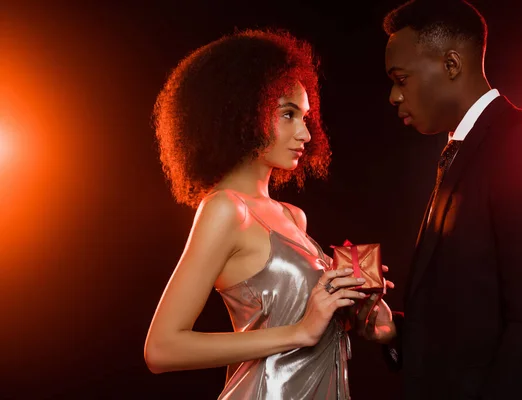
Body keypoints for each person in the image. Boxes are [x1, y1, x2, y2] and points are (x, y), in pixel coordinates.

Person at [354, 1, 522, 399]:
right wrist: (396, 331)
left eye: (400, 79)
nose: (393, 96)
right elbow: (476, 315)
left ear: (451, 65)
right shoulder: (461, 152)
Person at [143, 29, 369, 400]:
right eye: (288, 114)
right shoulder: (226, 209)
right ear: (243, 111)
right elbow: (161, 349)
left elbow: (300, 319)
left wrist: (358, 309)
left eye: (306, 117)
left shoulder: (294, 217)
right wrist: (300, 332)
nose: (306, 134)